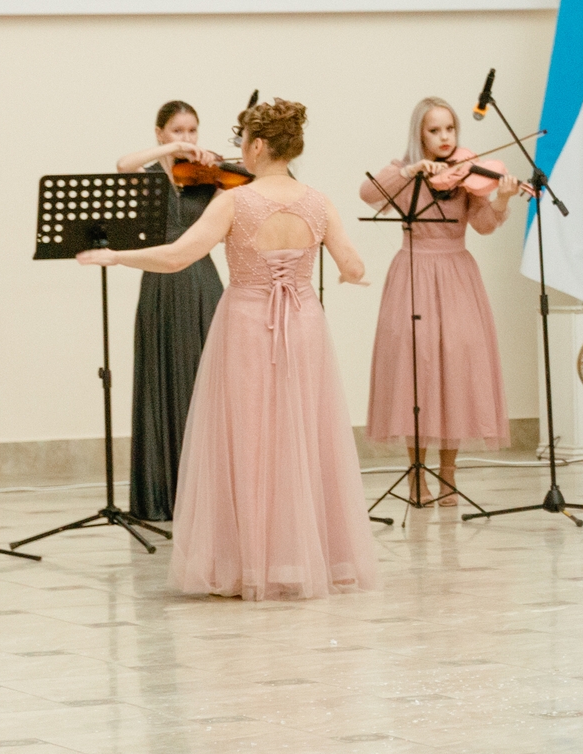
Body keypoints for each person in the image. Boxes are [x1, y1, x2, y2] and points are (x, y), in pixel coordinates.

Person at [79, 99, 377, 599]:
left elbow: (178, 257)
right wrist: (347, 277)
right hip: (304, 323)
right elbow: (354, 266)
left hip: (247, 323)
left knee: (248, 439)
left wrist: (116, 255)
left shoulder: (235, 201)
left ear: (257, 146)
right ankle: (306, 558)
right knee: (303, 435)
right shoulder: (319, 202)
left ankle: (249, 564)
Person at [360, 98, 518, 507]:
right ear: (420, 135)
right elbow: (368, 193)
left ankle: (449, 474)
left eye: (450, 129)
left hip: (457, 273)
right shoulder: (404, 171)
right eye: (435, 130)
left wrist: (501, 200)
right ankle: (416, 475)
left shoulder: (468, 173)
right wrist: (409, 171)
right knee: (416, 370)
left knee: (456, 370)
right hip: (414, 271)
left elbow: (483, 225)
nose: (445, 137)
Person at [115, 101, 229, 521]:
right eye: (178, 130)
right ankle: (163, 492)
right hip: (160, 282)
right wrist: (169, 152)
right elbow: (123, 165)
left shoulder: (206, 175)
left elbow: (242, 197)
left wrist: (218, 167)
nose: (187, 138)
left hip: (202, 281)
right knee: (161, 376)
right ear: (160, 132)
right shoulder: (148, 174)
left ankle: (209, 492)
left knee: (205, 380)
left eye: (193, 130)